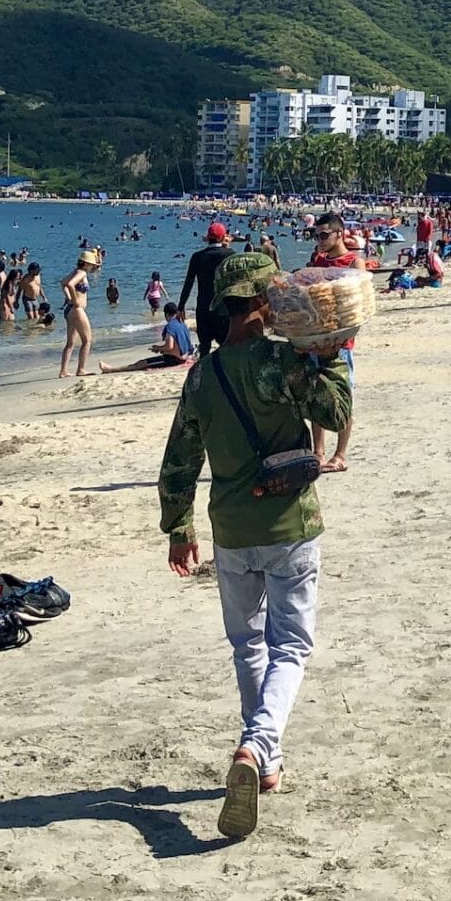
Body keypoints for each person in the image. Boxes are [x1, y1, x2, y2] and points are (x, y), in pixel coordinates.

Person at [157, 252, 352, 840]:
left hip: (232, 532)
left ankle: (266, 764)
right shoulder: (282, 361)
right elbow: (337, 411)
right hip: (290, 523)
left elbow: (180, 459)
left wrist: (178, 527)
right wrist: (329, 353)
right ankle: (255, 747)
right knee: (290, 646)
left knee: (248, 645)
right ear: (269, 305)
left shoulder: (202, 374)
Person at [301, 217, 362, 473]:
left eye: (324, 235)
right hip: (316, 338)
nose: (319, 241)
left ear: (339, 234)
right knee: (316, 396)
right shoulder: (317, 261)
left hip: (341, 341)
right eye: (316, 236)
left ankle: (340, 455)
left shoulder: (353, 262)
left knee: (342, 395)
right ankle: (318, 451)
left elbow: (357, 304)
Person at [177, 222, 233, 359]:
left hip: (203, 309)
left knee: (204, 348)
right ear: (222, 238)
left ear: (208, 238)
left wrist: (181, 307)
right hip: (223, 309)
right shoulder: (230, 255)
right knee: (225, 347)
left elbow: (188, 283)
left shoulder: (197, 257)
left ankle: (202, 377)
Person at [110, 302, 198, 372]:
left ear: (166, 314)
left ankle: (112, 369)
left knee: (142, 363)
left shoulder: (170, 326)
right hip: (185, 356)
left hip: (175, 360)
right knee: (144, 362)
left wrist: (158, 348)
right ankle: (112, 369)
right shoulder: (182, 324)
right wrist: (161, 349)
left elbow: (170, 347)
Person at [59, 248, 101, 378]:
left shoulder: (76, 271)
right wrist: (75, 300)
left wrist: (69, 298)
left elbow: (63, 283)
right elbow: (70, 285)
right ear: (87, 264)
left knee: (70, 343)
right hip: (77, 309)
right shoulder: (82, 273)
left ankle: (63, 371)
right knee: (87, 340)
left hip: (70, 310)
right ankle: (81, 369)